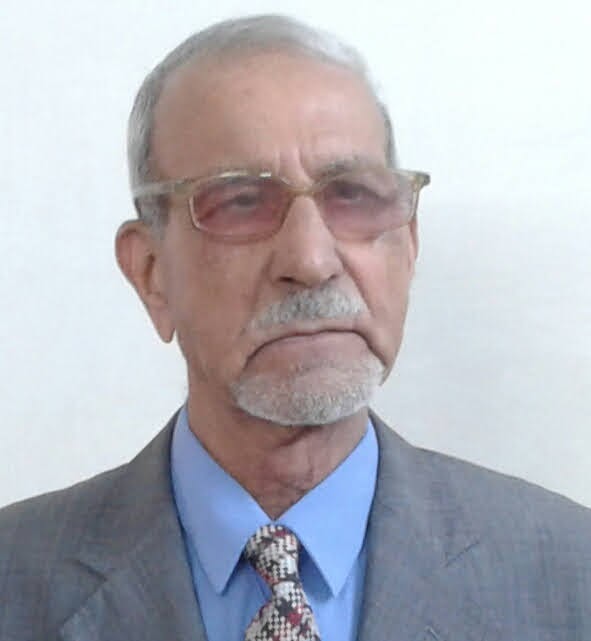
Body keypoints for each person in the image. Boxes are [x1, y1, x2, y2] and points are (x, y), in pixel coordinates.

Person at [1, 13, 590, 641]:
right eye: (241, 202)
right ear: (151, 274)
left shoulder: (568, 575)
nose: (311, 262)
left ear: (409, 244)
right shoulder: (16, 579)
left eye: (353, 195)